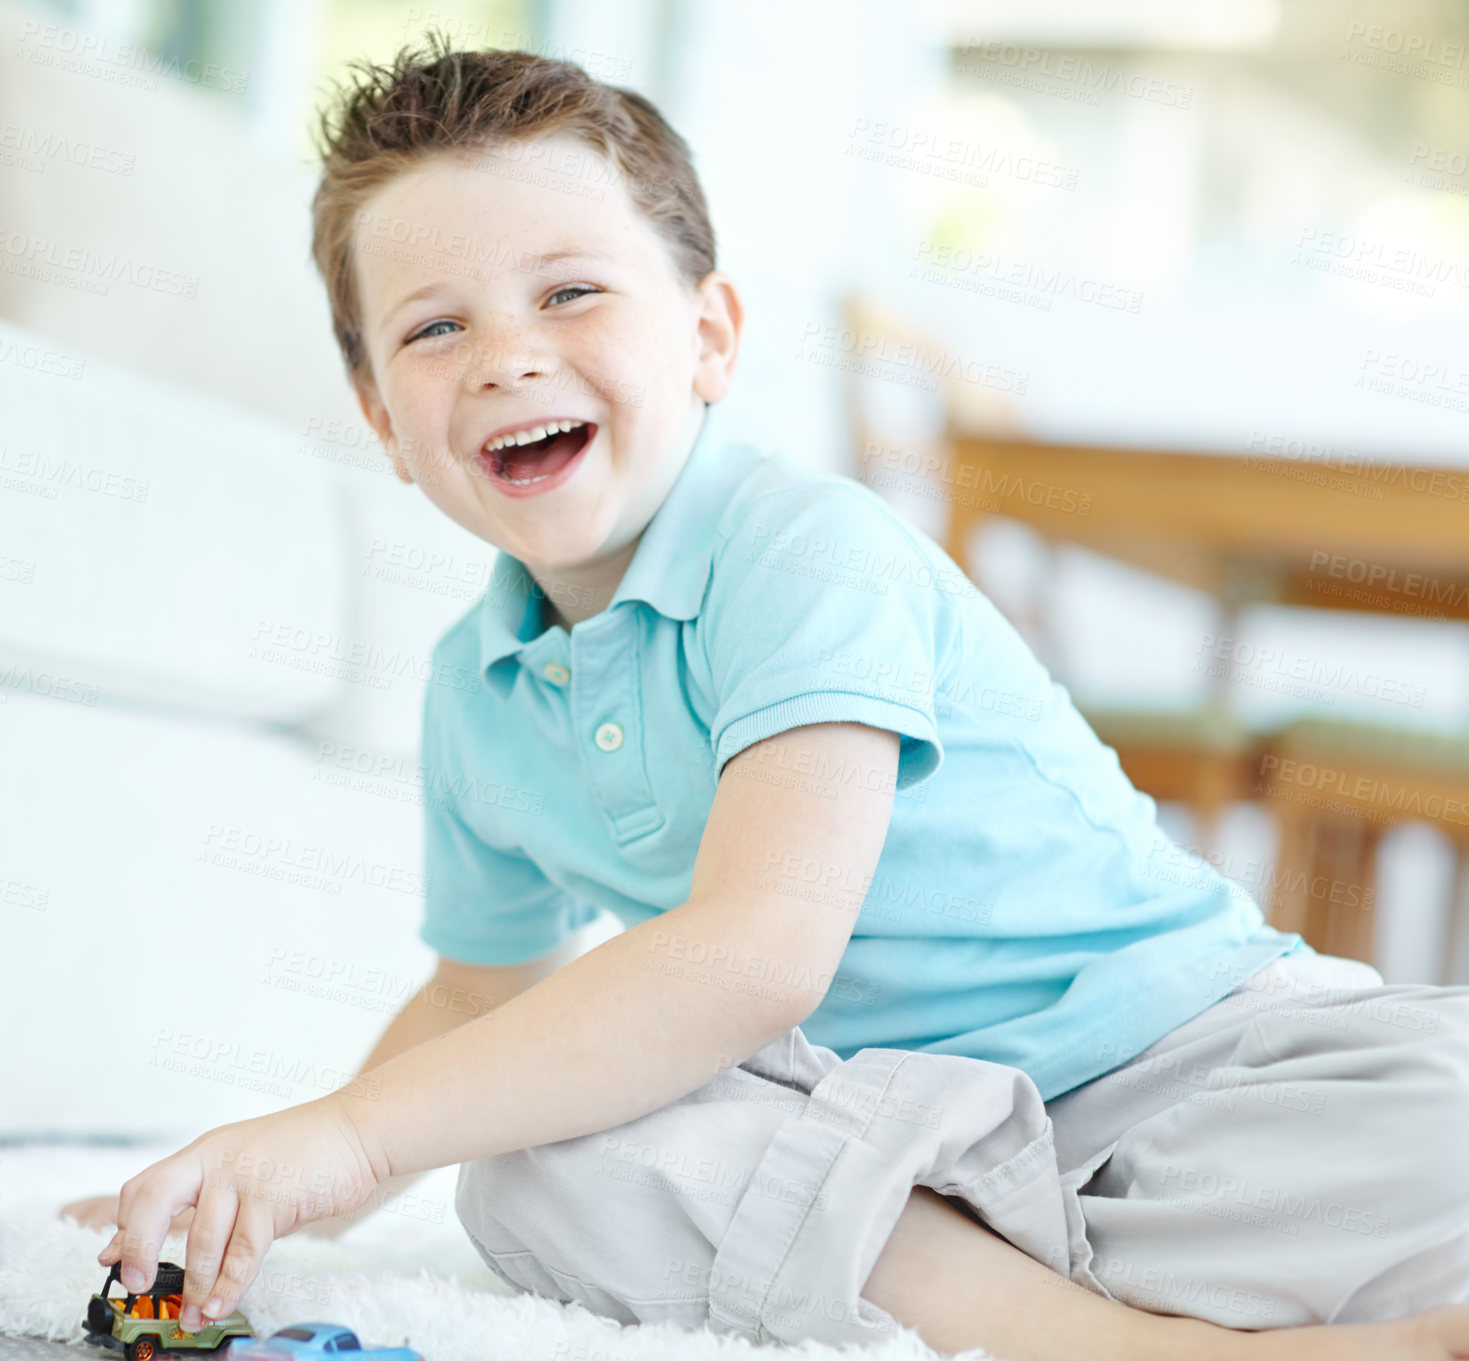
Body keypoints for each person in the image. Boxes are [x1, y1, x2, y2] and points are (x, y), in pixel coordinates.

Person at [65, 33, 1469, 1361]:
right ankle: (1113, 1338)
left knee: (1436, 1120)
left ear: (710, 340)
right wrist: (271, 1190)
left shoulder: (807, 548)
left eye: (570, 291)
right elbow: (481, 997)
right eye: (434, 328)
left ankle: (1059, 1297)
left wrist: (362, 1133)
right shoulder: (472, 697)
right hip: (901, 1147)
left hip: (1187, 1074)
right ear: (383, 422)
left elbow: (756, 952)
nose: (505, 354)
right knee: (539, 1169)